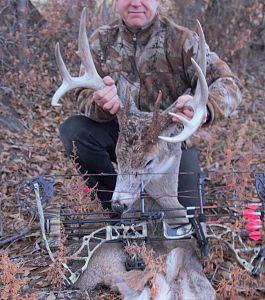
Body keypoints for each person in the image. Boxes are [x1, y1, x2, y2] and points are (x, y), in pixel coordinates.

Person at [60, 0, 242, 210]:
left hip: (168, 144)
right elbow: (83, 94)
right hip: (123, 139)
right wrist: (99, 101)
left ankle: (143, 198)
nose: (136, 3)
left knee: (187, 220)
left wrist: (205, 106)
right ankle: (116, 203)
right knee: (74, 131)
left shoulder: (182, 41)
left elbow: (230, 85)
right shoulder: (102, 41)